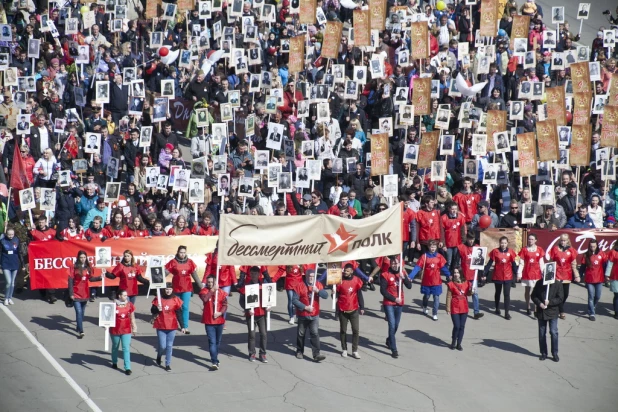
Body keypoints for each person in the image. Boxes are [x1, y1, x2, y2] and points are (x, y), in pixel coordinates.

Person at [291, 268, 328, 362]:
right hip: (303, 314)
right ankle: (299, 351)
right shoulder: (299, 286)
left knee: (315, 333)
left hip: (314, 314)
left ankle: (316, 354)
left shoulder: (318, 285)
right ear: (306, 276)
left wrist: (318, 291)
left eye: (313, 277)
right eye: (309, 276)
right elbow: (294, 300)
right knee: (301, 333)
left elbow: (326, 295)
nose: (311, 278)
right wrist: (305, 307)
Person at [379, 256, 411, 358]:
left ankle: (389, 340)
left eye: (396, 263)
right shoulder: (385, 275)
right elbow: (382, 291)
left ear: (399, 264)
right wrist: (393, 299)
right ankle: (394, 349)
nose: (394, 265)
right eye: (392, 263)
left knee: (396, 325)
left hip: (399, 303)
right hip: (389, 303)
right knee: (392, 325)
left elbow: (409, 286)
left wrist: (404, 278)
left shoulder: (401, 273)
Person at [165, 246, 202, 333]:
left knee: (185, 307)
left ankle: (185, 326)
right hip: (176, 287)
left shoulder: (190, 262)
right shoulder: (173, 262)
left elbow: (194, 275)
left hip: (187, 288)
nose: (182, 254)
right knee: (176, 307)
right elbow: (165, 272)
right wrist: (157, 280)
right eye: (181, 252)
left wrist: (201, 286)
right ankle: (174, 324)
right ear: (178, 252)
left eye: (184, 252)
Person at [238, 266, 271, 362]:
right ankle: (252, 353)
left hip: (261, 314)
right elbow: (241, 301)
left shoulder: (264, 286)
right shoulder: (246, 287)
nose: (253, 276)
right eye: (251, 274)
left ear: (259, 274)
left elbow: (269, 297)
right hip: (251, 314)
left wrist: (269, 306)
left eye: (255, 274)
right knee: (252, 335)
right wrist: (247, 309)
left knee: (264, 334)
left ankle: (263, 354)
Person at [410, 240, 450, 320]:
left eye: (434, 247)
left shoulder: (439, 256)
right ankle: (424, 307)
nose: (433, 248)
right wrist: (411, 276)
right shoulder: (424, 256)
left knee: (436, 298)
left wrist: (449, 275)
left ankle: (434, 313)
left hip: (436, 281)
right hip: (427, 281)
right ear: (428, 247)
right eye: (431, 247)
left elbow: (443, 268)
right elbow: (417, 267)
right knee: (426, 296)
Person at [68, 251, 102, 338]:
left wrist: (100, 277)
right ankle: (81, 331)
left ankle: (78, 326)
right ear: (78, 258)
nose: (83, 259)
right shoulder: (74, 267)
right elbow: (70, 280)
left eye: (84, 257)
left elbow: (91, 278)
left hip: (85, 293)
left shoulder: (88, 267)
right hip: (76, 293)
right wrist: (71, 293)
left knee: (82, 313)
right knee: (78, 311)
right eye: (81, 257)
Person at [151, 282, 184, 371]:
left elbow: (179, 313)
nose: (168, 291)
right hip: (161, 325)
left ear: (172, 290)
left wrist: (183, 326)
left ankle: (167, 364)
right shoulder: (159, 298)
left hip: (172, 326)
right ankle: (159, 355)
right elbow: (152, 310)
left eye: (169, 289)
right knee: (162, 346)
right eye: (166, 289)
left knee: (169, 346)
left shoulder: (175, 299)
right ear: (164, 290)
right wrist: (157, 308)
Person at [531, 275, 564, 362]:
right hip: (541, 312)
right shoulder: (539, 283)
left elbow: (560, 298)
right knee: (542, 333)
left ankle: (555, 353)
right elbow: (533, 296)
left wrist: (550, 302)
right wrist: (540, 304)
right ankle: (543, 353)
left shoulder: (557, 284)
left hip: (553, 312)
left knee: (553, 332)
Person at [485, 237, 518, 320]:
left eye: (505, 243)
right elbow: (489, 263)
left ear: (507, 243)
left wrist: (517, 273)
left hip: (508, 275)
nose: (503, 244)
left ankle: (507, 313)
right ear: (499, 243)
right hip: (498, 275)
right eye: (502, 243)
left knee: (507, 294)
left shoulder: (510, 252)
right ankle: (497, 308)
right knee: (498, 292)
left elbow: (513, 264)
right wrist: (484, 273)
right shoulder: (495, 251)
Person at [199, 275, 228, 370]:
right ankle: (214, 361)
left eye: (212, 282)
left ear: (215, 282)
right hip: (209, 321)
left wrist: (220, 312)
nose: (210, 284)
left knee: (217, 342)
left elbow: (225, 305)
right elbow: (205, 299)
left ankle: (215, 357)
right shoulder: (204, 291)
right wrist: (212, 291)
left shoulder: (221, 293)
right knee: (212, 342)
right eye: (209, 282)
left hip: (219, 321)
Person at [336, 264, 365, 359]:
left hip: (354, 310)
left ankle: (354, 350)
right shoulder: (339, 281)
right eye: (345, 270)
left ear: (352, 271)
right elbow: (335, 296)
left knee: (355, 330)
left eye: (348, 271)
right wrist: (333, 294)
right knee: (343, 330)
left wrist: (362, 307)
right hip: (343, 310)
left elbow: (359, 294)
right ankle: (344, 349)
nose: (345, 272)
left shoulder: (356, 280)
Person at [549, 234, 579, 319]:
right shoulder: (555, 249)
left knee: (565, 294)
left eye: (564, 240)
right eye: (562, 240)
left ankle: (558, 306)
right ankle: (561, 311)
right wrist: (548, 273)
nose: (563, 242)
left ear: (567, 241)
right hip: (557, 274)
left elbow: (574, 264)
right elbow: (551, 261)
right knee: (559, 294)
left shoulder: (571, 250)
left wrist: (577, 275)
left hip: (567, 275)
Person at [578, 239, 607, 321]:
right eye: (591, 246)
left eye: (594, 246)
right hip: (589, 279)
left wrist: (606, 276)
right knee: (591, 296)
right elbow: (583, 267)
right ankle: (592, 313)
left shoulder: (602, 254)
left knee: (597, 296)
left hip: (599, 278)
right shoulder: (586, 255)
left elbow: (605, 265)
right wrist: (579, 276)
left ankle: (592, 306)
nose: (592, 248)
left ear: (597, 245)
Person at [110, 290, 137, 375]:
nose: (126, 297)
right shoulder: (113, 305)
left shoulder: (130, 305)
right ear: (119, 296)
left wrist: (134, 327)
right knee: (115, 347)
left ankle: (127, 367)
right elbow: (106, 315)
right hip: (115, 330)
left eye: (126, 295)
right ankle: (114, 362)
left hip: (126, 330)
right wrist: (105, 324)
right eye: (124, 295)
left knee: (126, 348)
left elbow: (132, 317)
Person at [518, 233, 546, 316]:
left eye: (532, 239)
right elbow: (521, 263)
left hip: (537, 273)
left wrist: (544, 272)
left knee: (537, 291)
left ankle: (536, 308)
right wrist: (519, 273)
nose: (530, 241)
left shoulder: (539, 249)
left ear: (535, 240)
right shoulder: (524, 249)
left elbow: (541, 263)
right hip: (527, 273)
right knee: (528, 291)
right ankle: (528, 306)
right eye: (529, 239)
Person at [445, 267, 472, 351]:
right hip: (455, 307)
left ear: (461, 273)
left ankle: (459, 343)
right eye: (454, 273)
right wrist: (448, 308)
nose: (456, 274)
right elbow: (448, 296)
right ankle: (453, 341)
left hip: (464, 307)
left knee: (462, 326)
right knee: (456, 326)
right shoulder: (451, 284)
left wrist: (471, 290)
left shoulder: (467, 283)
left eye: (457, 272)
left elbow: (468, 294)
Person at [1, 228, 22, 306]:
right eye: (9, 234)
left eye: (12, 234)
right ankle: (6, 298)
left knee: (12, 283)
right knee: (8, 282)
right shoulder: (2, 241)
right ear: (6, 234)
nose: (10, 236)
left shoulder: (16, 240)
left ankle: (10, 297)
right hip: (5, 263)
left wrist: (22, 264)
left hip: (14, 263)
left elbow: (19, 252)